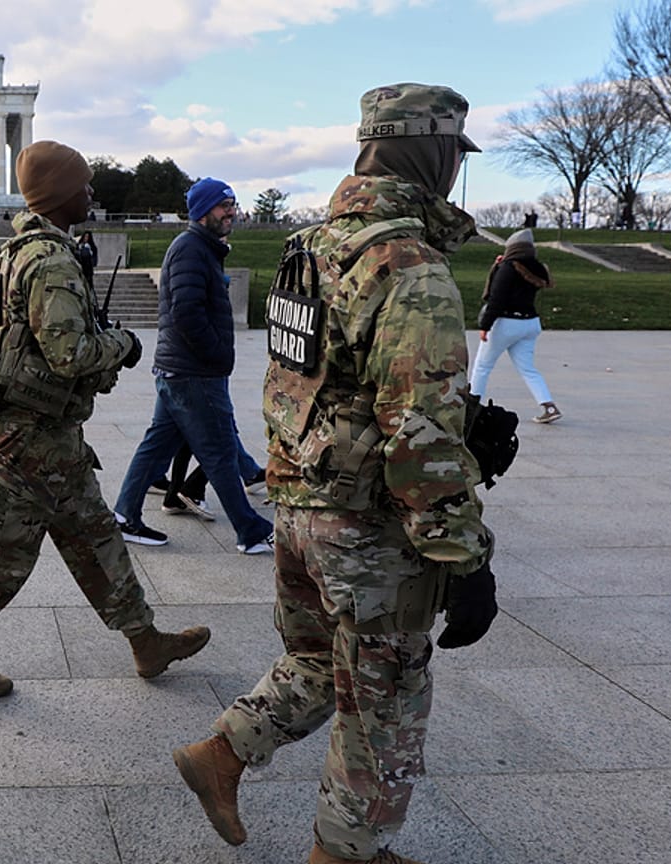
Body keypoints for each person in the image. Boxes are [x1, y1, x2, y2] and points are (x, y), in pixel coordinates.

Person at [172, 84, 499, 864]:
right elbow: (420, 437)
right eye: (455, 152)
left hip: (298, 503)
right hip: (366, 525)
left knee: (319, 660)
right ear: (436, 154)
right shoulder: (409, 265)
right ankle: (346, 853)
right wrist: (466, 556)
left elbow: (311, 380)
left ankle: (222, 755)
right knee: (383, 699)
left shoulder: (310, 245)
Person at [0, 140, 211, 700]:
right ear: (59, 194)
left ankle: (144, 638)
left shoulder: (20, 251)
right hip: (34, 441)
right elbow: (69, 354)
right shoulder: (51, 261)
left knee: (97, 538)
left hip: (52, 436)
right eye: (82, 185)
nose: (91, 192)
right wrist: (123, 343)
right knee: (3, 555)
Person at [111, 177, 274, 553]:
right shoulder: (190, 249)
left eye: (233, 204)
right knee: (219, 450)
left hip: (179, 369)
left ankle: (124, 515)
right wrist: (216, 353)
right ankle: (250, 533)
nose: (231, 211)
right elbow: (186, 312)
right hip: (194, 372)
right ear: (203, 213)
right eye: (223, 205)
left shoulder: (202, 247)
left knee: (155, 447)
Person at [470, 228, 560, 423]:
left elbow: (496, 298)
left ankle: (469, 407)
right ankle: (549, 406)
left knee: (482, 367)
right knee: (528, 369)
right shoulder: (538, 268)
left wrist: (485, 325)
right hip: (530, 324)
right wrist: (498, 267)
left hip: (506, 323)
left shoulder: (509, 267)